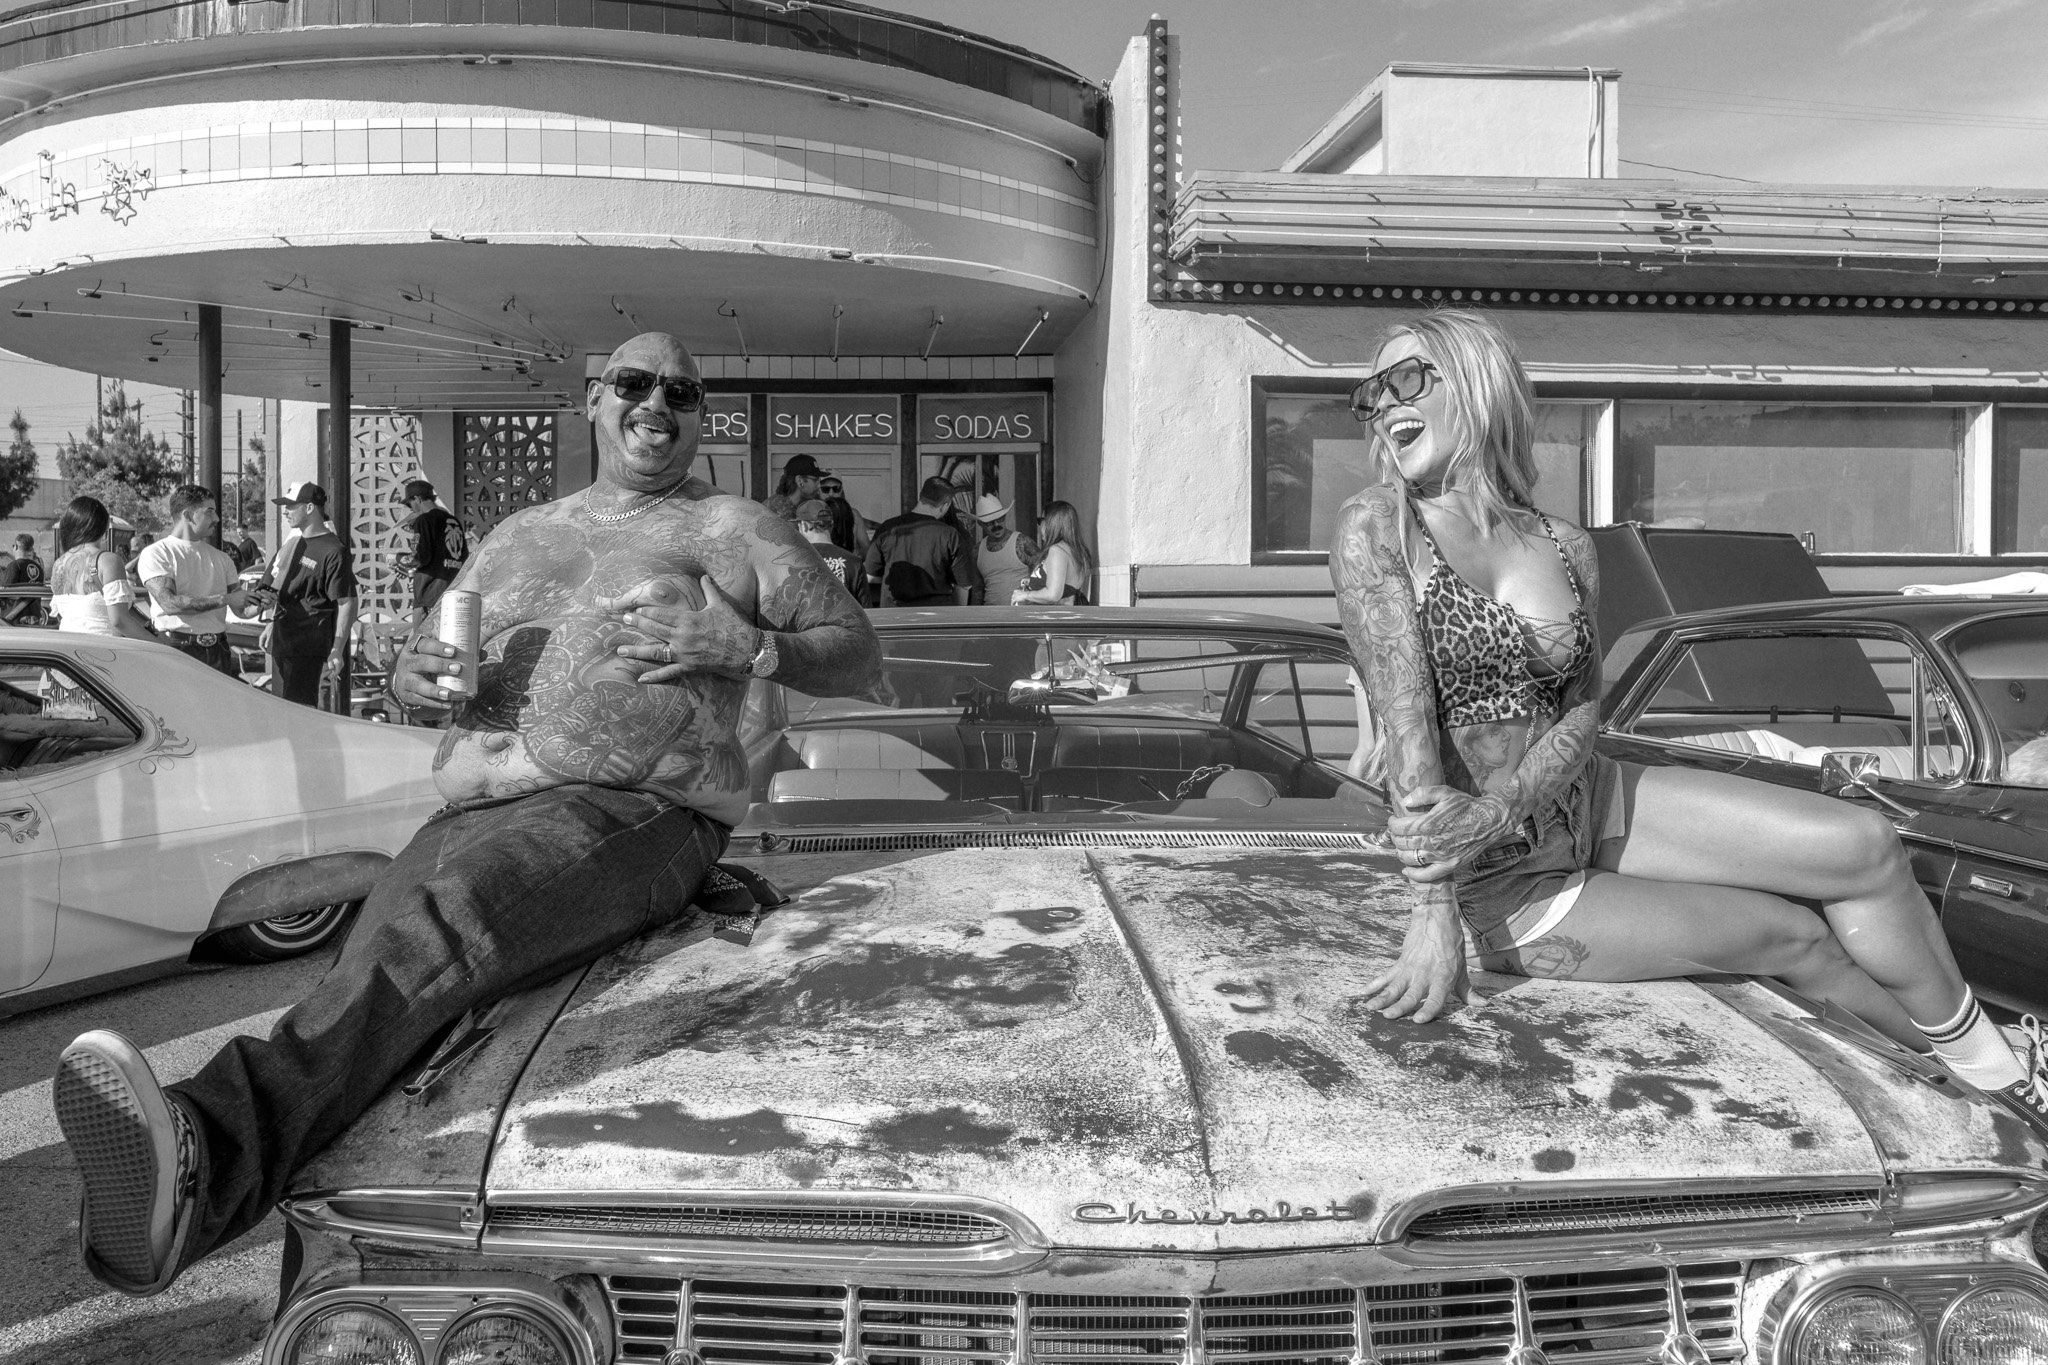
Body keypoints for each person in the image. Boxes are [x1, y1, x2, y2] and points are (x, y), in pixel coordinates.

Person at [51, 330, 882, 1300]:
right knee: (383, 977)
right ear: (593, 399)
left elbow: (858, 654)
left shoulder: (735, 530)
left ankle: (204, 1142)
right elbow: (431, 662)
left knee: (438, 930)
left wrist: (747, 646)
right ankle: (254, 1247)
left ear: (701, 418)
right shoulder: (514, 536)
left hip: (634, 809)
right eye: (633, 383)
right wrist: (415, 677)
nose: (656, 403)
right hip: (477, 807)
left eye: (682, 392)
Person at [1328, 308, 2047, 1134]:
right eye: (1372, 392)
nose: (1385, 403)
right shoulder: (1380, 526)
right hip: (1498, 876)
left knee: (1868, 844)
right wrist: (1433, 916)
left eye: (1406, 378)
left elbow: (1582, 709)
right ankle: (1977, 1095)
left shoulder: (1563, 544)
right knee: (1796, 937)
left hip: (1584, 797)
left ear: (1475, 380)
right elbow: (1406, 727)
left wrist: (1504, 802)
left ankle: (2000, 1068)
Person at [137, 486, 264, 676]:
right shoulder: (157, 553)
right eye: (209, 512)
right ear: (187, 515)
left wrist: (261, 603)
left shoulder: (222, 558)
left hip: (218, 650)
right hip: (176, 648)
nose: (217, 519)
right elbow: (170, 604)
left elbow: (241, 611)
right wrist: (226, 599)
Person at [260, 481, 358, 709]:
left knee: (302, 715)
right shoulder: (293, 543)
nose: (285, 511)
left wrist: (337, 649)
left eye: (291, 506)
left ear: (310, 508)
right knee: (283, 714)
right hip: (283, 645)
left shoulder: (333, 549)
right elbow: (282, 588)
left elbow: (347, 602)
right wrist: (271, 624)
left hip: (309, 649)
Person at [865, 475, 980, 607]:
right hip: (936, 614)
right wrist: (957, 616)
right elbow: (963, 585)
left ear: (920, 497)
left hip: (894, 613)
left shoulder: (887, 528)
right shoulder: (950, 535)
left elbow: (870, 576)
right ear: (946, 505)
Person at [47, 496, 153, 639]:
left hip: (66, 646)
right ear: (104, 527)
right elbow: (120, 621)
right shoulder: (108, 561)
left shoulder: (59, 564)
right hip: (102, 648)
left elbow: (64, 614)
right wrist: (161, 646)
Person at [396, 478, 467, 622]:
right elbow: (463, 556)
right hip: (454, 595)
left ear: (417, 498)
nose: (411, 508)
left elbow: (419, 558)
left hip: (429, 599)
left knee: (421, 636)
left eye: (410, 503)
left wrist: (397, 558)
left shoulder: (424, 520)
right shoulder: (454, 521)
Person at [1012, 500, 1094, 606]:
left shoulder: (1057, 550)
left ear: (1052, 522)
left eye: (1041, 520)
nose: (1040, 526)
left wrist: (1025, 595)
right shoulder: (1077, 551)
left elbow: (1053, 595)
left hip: (1055, 614)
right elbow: (1065, 585)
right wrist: (1033, 582)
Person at [794, 498, 864, 598]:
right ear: (831, 524)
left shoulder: (791, 561)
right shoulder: (854, 563)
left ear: (804, 525)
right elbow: (865, 606)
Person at [972, 494, 1030, 606]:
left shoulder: (1022, 542)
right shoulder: (977, 550)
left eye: (1000, 519)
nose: (996, 525)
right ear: (980, 524)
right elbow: (977, 589)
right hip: (990, 613)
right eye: (990, 522)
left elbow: (1042, 576)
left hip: (1021, 613)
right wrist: (974, 614)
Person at [764, 454, 828, 522]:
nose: (819, 485)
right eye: (815, 480)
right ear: (799, 481)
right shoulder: (775, 510)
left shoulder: (809, 505)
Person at [1, 532, 45, 624]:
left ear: (16, 547)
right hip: (34, 617)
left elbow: (5, 592)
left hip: (13, 619)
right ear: (31, 549)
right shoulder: (39, 568)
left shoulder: (14, 565)